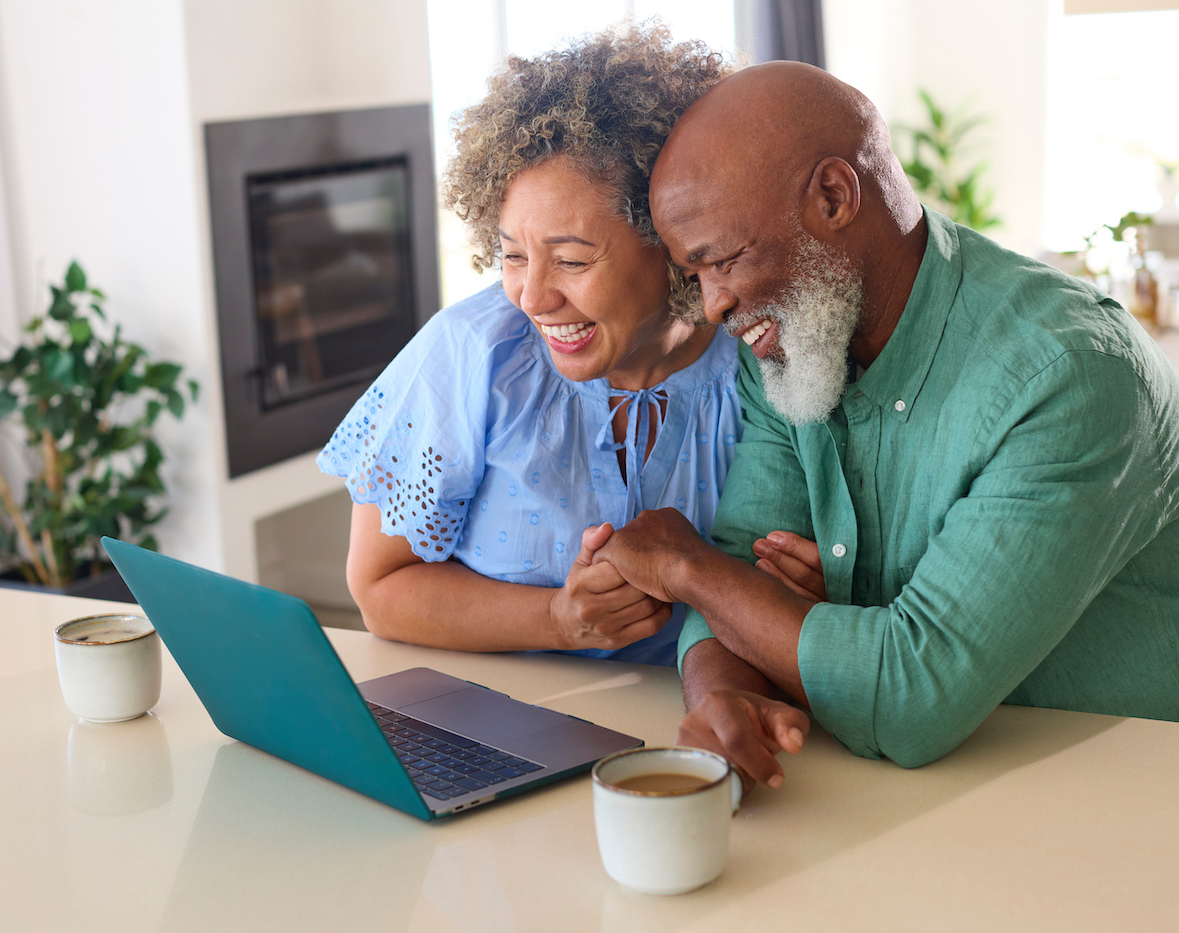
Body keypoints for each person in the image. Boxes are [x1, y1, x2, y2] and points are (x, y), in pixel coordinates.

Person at [591, 61, 1179, 788]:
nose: (713, 306)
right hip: (896, 810)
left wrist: (686, 566)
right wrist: (724, 700)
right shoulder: (788, 344)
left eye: (725, 259)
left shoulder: (1070, 373)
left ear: (835, 196)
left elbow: (911, 693)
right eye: (694, 273)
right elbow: (746, 564)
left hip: (1113, 810)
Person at [317, 24, 736, 665]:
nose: (532, 298)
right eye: (512, 255)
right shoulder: (469, 356)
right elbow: (379, 589)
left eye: (570, 260)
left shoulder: (759, 364)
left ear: (674, 243)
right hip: (503, 730)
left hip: (697, 732)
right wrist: (555, 620)